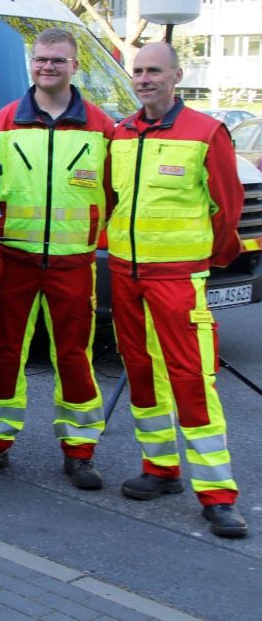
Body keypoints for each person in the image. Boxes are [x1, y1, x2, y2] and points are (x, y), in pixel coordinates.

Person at [109, 41, 247, 539]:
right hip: (126, 274)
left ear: (177, 75)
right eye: (138, 71)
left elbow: (227, 208)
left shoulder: (206, 131)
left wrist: (204, 262)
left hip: (178, 278)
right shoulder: (121, 133)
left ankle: (217, 494)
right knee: (141, 372)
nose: (144, 79)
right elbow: (112, 199)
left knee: (191, 379)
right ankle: (160, 467)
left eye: (154, 71)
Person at [0, 28, 113, 489]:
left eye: (58, 60)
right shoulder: (1, 124)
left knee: (73, 358)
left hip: (74, 263)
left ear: (75, 66)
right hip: (15, 262)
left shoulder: (102, 128)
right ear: (32, 64)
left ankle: (80, 452)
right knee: (5, 354)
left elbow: (117, 192)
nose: (48, 66)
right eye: (41, 59)